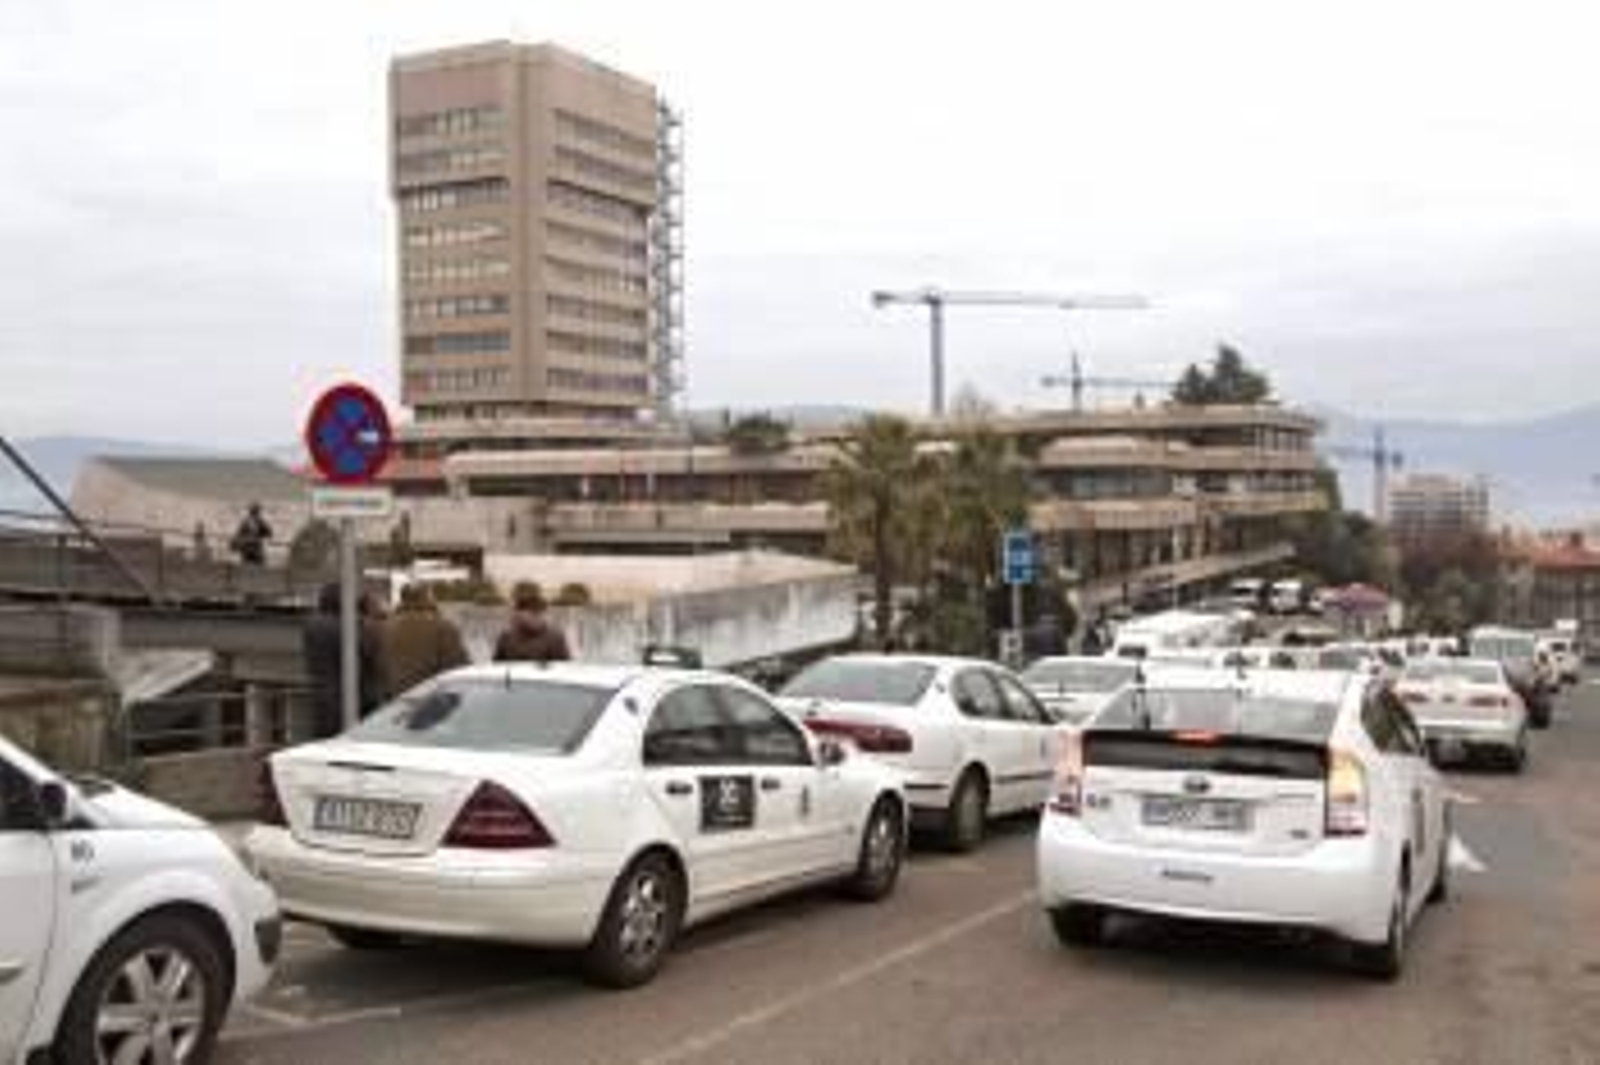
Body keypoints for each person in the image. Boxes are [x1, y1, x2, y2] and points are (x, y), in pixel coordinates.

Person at [302, 582, 384, 738]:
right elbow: (367, 654)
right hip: (349, 693)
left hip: (321, 689)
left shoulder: (311, 624)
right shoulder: (348, 625)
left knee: (325, 735)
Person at [382, 583, 469, 698]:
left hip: (393, 701)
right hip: (428, 698)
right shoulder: (442, 627)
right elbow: (458, 668)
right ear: (428, 598)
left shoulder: (385, 626)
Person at [493, 582, 572, 664]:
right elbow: (496, 666)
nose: (537, 617)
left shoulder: (555, 638)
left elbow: (565, 667)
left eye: (537, 613)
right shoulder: (506, 637)